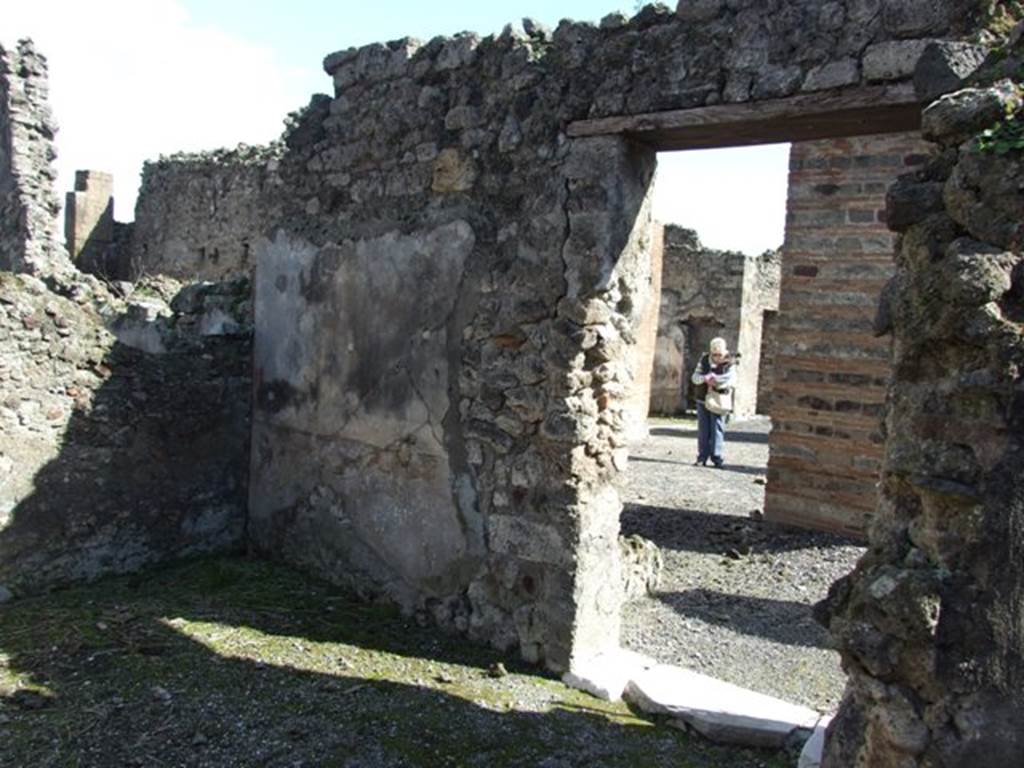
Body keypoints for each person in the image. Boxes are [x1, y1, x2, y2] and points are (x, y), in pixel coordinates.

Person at [689, 337, 735, 468]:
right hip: (703, 399)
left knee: (717, 429)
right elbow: (695, 378)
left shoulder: (730, 363)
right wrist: (705, 378)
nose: (716, 357)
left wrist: (716, 381)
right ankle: (702, 456)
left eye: (719, 355)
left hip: (719, 400)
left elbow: (730, 380)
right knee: (703, 430)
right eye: (714, 354)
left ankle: (717, 457)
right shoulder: (704, 360)